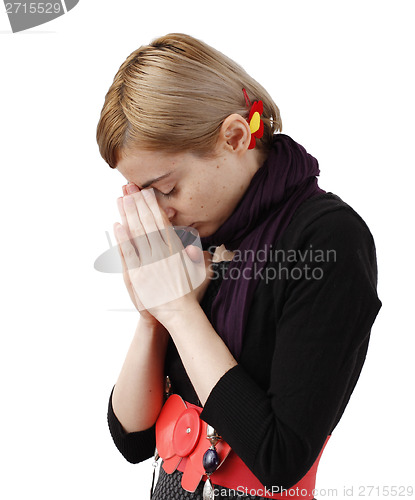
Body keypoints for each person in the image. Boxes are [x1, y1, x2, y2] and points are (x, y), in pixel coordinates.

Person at [96, 33, 382, 500]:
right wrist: (155, 315)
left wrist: (182, 313)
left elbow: (279, 458)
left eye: (165, 188)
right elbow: (132, 438)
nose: (159, 213)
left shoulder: (328, 239)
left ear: (234, 137)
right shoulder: (200, 242)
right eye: (143, 195)